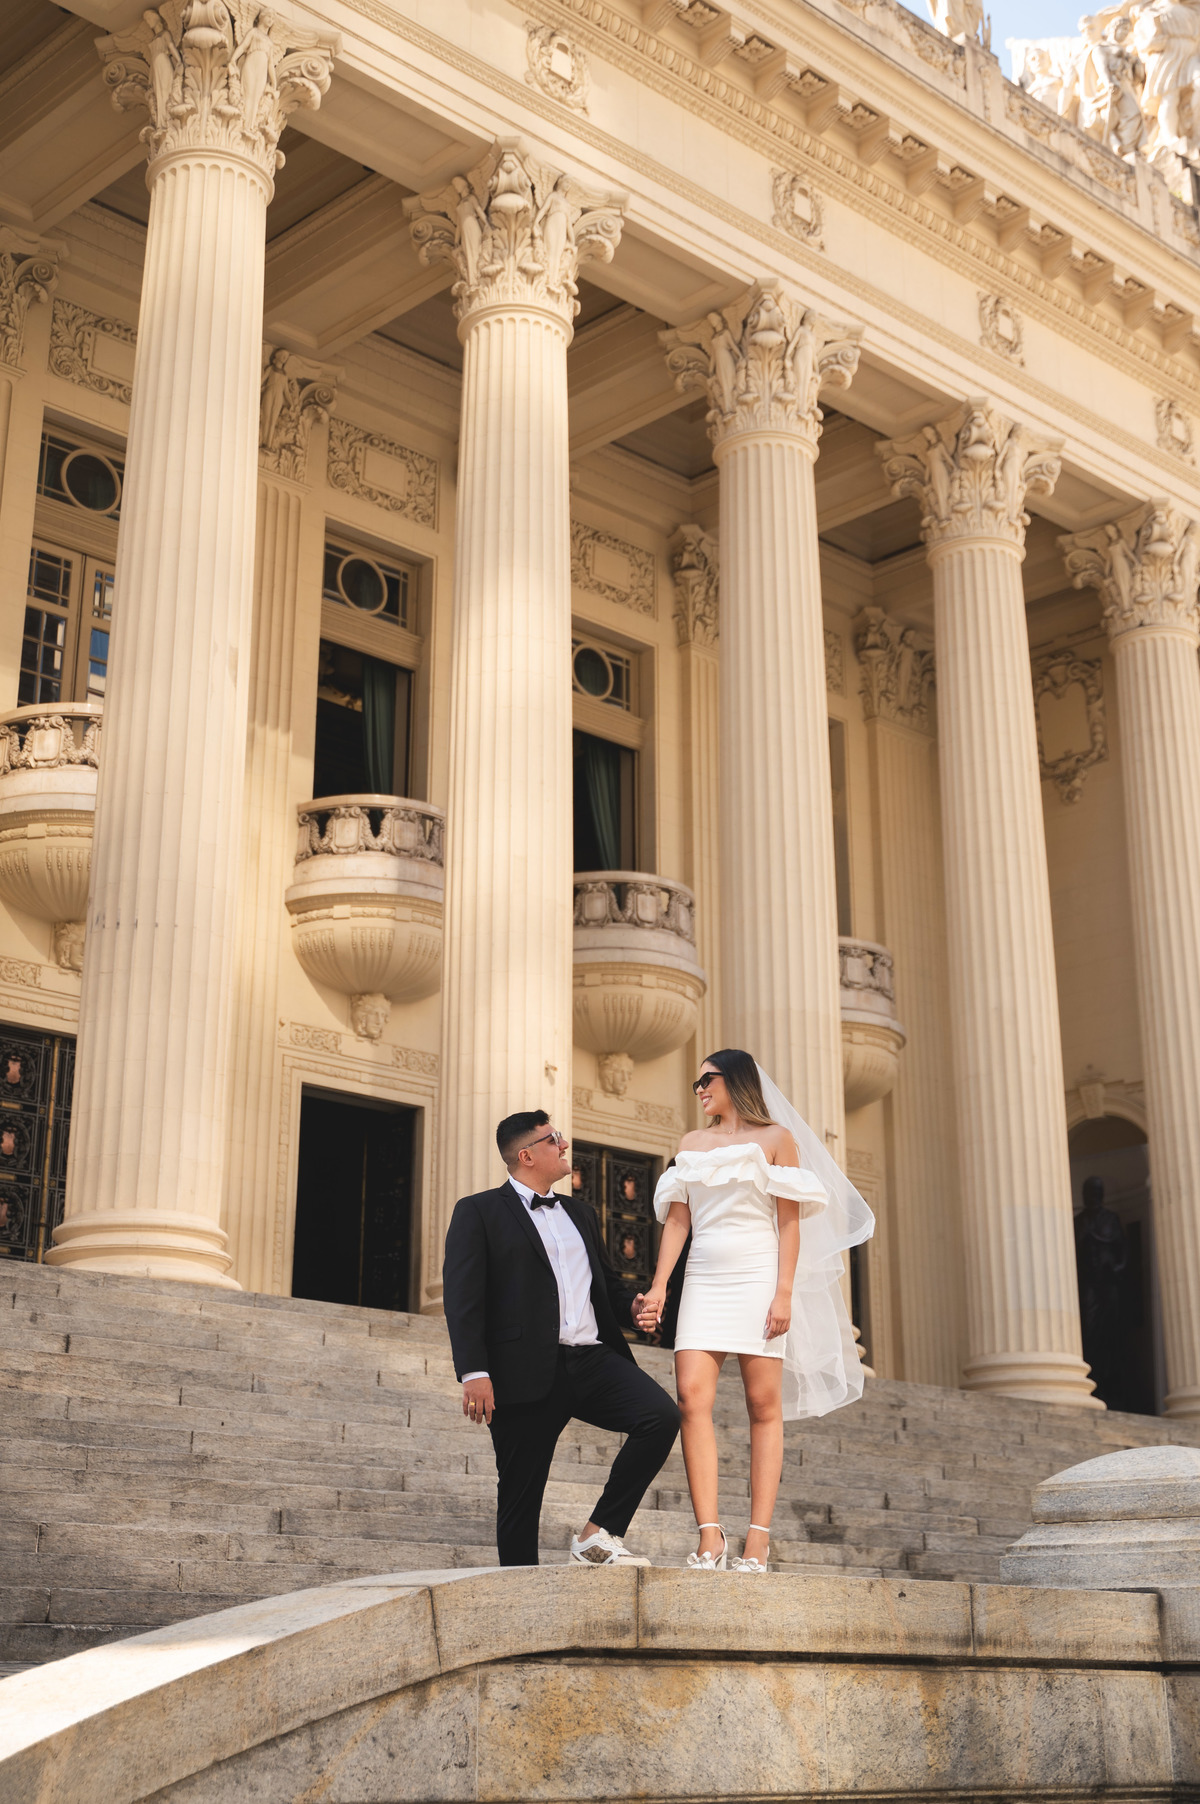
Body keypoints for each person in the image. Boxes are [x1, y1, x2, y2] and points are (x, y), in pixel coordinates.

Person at [638, 1050, 873, 1574]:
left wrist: (783, 1292)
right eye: (695, 1081)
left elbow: (789, 1222)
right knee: (690, 1398)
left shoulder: (775, 1140)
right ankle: (710, 1537)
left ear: (735, 1080)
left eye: (707, 1079)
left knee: (763, 1405)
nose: (698, 1088)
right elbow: (678, 1221)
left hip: (759, 1277)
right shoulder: (690, 1145)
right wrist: (658, 1288)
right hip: (702, 1279)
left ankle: (759, 1541)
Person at [443, 1109, 681, 1567]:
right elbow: (463, 1298)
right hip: (522, 1368)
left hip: (593, 1361)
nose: (565, 1145)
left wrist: (632, 1306)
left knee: (660, 1417)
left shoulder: (581, 1212)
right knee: (520, 1493)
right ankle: (519, 1599)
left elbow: (605, 1285)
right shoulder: (478, 1211)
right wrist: (474, 1371)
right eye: (555, 1139)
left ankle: (598, 1534)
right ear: (527, 1155)